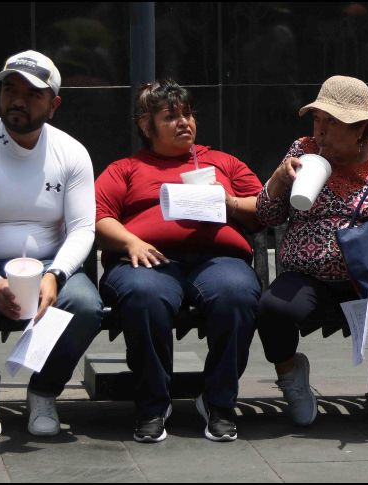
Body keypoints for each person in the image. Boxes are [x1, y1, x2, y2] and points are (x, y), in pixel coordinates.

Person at [0, 50, 103, 439]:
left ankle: (44, 391)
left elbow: (82, 229)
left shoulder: (72, 153)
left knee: (86, 305)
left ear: (54, 104)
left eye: (32, 94)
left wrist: (57, 276)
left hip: (49, 262)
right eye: (10, 89)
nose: (17, 100)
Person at [256, 75, 368, 429]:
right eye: (317, 120)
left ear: (360, 128)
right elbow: (266, 216)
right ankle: (291, 373)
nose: (320, 132)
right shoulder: (302, 150)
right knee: (272, 309)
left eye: (331, 122)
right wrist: (278, 179)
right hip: (309, 276)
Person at [95, 79, 263, 443]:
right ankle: (153, 405)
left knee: (235, 294)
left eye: (187, 114)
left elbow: (262, 208)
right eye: (171, 116)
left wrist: (229, 201)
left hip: (218, 258)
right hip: (149, 258)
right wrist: (131, 241)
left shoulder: (222, 162)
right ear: (146, 125)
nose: (184, 122)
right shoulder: (125, 168)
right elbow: (97, 217)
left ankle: (218, 402)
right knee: (144, 296)